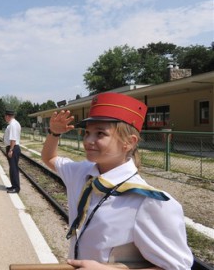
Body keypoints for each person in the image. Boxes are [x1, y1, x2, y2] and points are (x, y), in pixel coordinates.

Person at [41, 92, 193, 270]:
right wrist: (54, 133)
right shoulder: (81, 172)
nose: (88, 141)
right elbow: (49, 158)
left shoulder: (147, 201)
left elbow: (178, 267)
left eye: (100, 134)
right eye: (87, 133)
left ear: (128, 142)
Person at [3, 109, 21, 193]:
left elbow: (13, 139)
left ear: (8, 116)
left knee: (13, 168)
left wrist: (11, 150)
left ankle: (16, 188)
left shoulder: (13, 124)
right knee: (13, 168)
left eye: (5, 116)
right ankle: (13, 185)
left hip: (12, 148)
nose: (4, 118)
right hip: (13, 147)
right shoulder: (14, 123)